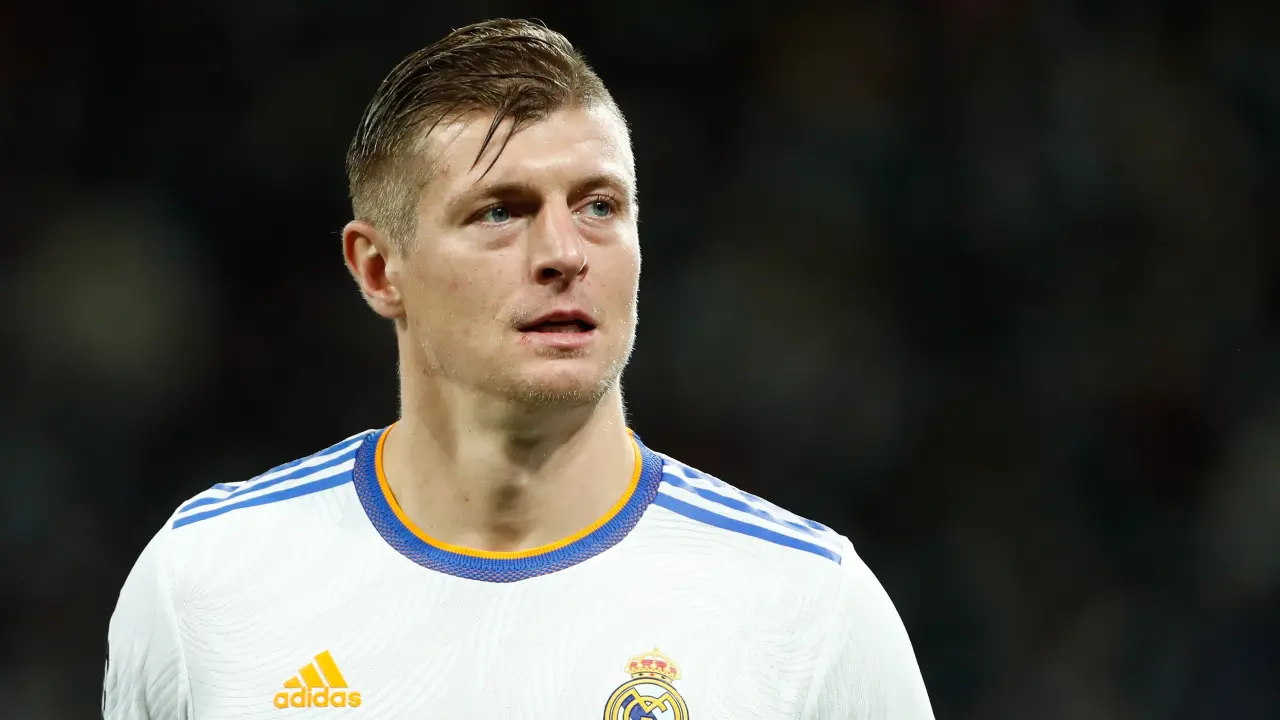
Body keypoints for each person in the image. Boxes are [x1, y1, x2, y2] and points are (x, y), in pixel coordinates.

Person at [103, 18, 934, 719]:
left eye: (599, 206)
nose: (565, 253)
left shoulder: (807, 611)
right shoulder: (206, 583)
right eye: (501, 211)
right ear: (379, 270)